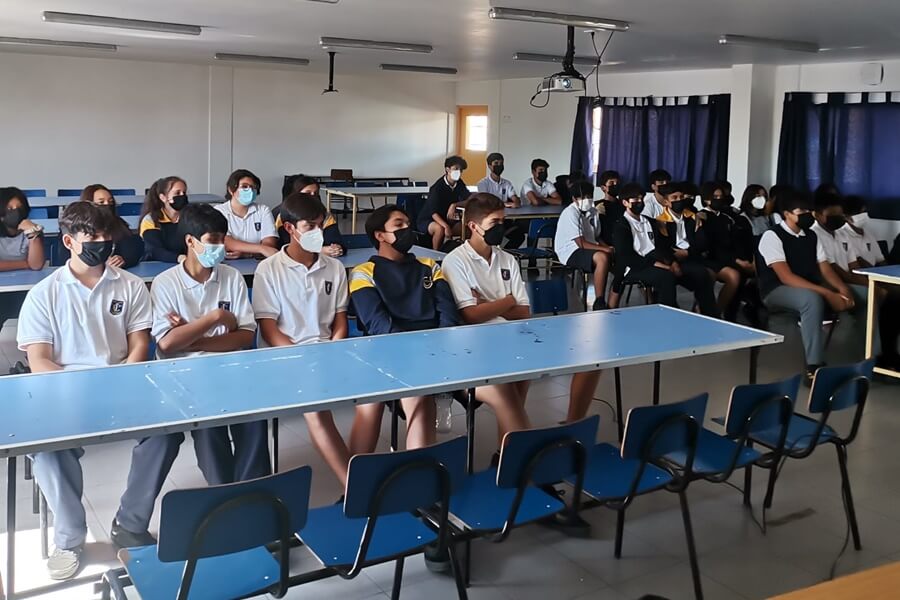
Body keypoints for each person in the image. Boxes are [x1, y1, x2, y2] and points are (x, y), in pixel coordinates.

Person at [16, 203, 160, 579]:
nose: (101, 242)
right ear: (68, 241)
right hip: (64, 393)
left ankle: (130, 523)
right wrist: (80, 392)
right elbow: (40, 362)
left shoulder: (129, 286)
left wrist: (122, 381)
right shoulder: (44, 294)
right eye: (91, 237)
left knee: (165, 434)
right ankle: (69, 538)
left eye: (105, 235)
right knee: (46, 451)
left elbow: (139, 345)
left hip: (121, 387)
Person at [150, 203, 270, 485]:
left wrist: (191, 336)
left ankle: (251, 490)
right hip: (184, 375)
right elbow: (167, 346)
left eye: (221, 240)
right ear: (190, 242)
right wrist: (216, 317)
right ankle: (223, 489)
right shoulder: (165, 283)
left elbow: (244, 336)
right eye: (212, 241)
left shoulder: (232, 277)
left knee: (254, 417)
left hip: (231, 368)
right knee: (208, 426)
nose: (219, 247)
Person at [252, 192, 352, 484]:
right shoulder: (268, 270)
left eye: (321, 225)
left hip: (326, 353)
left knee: (373, 401)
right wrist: (304, 359)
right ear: (290, 229)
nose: (318, 233)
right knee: (318, 411)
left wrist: (333, 350)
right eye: (310, 227)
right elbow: (269, 330)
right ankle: (353, 483)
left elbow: (340, 320)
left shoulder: (333, 267)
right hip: (284, 356)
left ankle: (363, 471)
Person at [350, 205, 458, 455]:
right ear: (380, 235)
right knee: (373, 405)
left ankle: (418, 470)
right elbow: (378, 325)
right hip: (388, 352)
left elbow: (447, 313)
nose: (407, 229)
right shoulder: (363, 273)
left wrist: (438, 349)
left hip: (435, 349)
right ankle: (353, 478)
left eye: (408, 224)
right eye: (398, 225)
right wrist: (416, 355)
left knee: (420, 397)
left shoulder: (429, 265)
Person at [433, 193, 532, 446]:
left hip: (510, 338)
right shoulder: (456, 261)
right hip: (473, 347)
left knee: (521, 383)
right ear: (474, 227)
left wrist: (489, 304)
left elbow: (524, 311)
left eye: (502, 221)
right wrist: (507, 300)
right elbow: (470, 316)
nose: (501, 227)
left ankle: (506, 453)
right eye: (494, 223)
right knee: (508, 395)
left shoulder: (508, 259)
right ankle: (524, 458)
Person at [756, 189, 855, 383]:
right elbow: (786, 277)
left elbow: (826, 270)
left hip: (809, 286)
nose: (807, 215)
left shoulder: (811, 236)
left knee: (865, 295)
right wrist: (828, 293)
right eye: (801, 211)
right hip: (776, 291)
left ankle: (874, 357)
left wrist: (844, 290)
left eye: (809, 211)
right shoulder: (772, 236)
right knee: (812, 300)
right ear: (787, 214)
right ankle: (814, 366)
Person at [653, 183, 719, 317]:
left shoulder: (693, 218)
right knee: (665, 276)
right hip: (671, 259)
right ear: (666, 202)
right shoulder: (660, 221)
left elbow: (702, 243)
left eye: (681, 197)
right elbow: (661, 247)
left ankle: (709, 315)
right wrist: (673, 260)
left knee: (705, 274)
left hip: (691, 256)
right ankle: (668, 315)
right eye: (674, 198)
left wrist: (688, 252)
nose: (679, 200)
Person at [611, 183, 679, 309]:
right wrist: (656, 264)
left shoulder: (650, 222)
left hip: (654, 259)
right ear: (625, 203)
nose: (640, 202)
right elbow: (626, 256)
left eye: (641, 199)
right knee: (665, 276)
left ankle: (667, 306)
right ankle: (667, 311)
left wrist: (672, 261)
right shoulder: (621, 225)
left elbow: (662, 245)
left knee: (682, 271)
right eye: (635, 199)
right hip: (634, 266)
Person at [698, 181, 756, 319]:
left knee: (744, 274)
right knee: (729, 276)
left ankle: (723, 312)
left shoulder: (727, 218)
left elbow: (735, 242)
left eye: (720, 196)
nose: (719, 200)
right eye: (715, 197)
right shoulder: (701, 217)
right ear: (706, 199)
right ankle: (708, 312)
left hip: (728, 256)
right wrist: (736, 261)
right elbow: (710, 246)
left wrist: (746, 259)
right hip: (710, 258)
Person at [554, 180, 614, 310]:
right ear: (574, 199)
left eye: (589, 196)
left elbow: (597, 236)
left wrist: (608, 247)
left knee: (613, 255)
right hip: (571, 251)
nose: (587, 200)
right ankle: (599, 300)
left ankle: (614, 298)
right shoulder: (570, 213)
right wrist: (604, 249)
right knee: (602, 257)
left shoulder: (593, 211)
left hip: (590, 246)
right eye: (583, 197)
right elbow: (581, 243)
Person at [0, 187, 45, 333]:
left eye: (19, 207)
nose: (15, 211)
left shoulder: (32, 230)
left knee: (39, 313)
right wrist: (25, 264)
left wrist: (33, 235)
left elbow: (36, 265)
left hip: (25, 289)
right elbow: (30, 264)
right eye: (9, 208)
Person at [274, 175, 345, 256]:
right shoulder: (282, 215)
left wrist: (336, 248)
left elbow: (334, 239)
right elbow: (284, 246)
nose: (312, 196)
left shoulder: (325, 215)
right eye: (307, 193)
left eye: (315, 193)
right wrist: (318, 251)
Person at [215, 169, 278, 259]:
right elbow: (226, 242)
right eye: (244, 186)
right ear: (231, 190)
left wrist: (246, 253)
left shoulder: (263, 210)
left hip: (257, 262)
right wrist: (260, 249)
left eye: (253, 187)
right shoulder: (219, 211)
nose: (250, 190)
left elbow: (269, 244)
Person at [79, 184, 144, 268]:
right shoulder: (77, 227)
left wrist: (123, 260)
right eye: (101, 202)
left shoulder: (119, 224)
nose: (107, 205)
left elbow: (132, 251)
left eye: (110, 202)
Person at [418, 156, 470, 250]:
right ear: (447, 169)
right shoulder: (437, 188)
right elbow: (433, 213)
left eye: (461, 170)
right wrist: (446, 226)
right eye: (456, 169)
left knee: (468, 229)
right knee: (439, 229)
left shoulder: (459, 184)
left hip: (448, 219)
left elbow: (469, 199)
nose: (459, 172)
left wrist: (454, 205)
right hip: (429, 219)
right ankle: (436, 256)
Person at [475, 152, 526, 249]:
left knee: (519, 236)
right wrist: (506, 204)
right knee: (495, 235)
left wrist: (515, 202)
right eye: (496, 163)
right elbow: (486, 202)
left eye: (501, 163)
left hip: (505, 219)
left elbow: (516, 200)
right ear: (490, 166)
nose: (499, 166)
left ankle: (506, 254)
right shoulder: (483, 183)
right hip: (490, 221)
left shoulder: (507, 183)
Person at [139, 176, 189, 263]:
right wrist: (180, 258)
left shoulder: (190, 217)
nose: (182, 196)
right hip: (157, 265)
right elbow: (154, 251)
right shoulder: (151, 220)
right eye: (177, 193)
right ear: (163, 198)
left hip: (186, 264)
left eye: (184, 193)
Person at [596, 170, 623, 246]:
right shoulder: (599, 206)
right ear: (603, 188)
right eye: (611, 183)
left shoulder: (624, 204)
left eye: (617, 183)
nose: (615, 185)